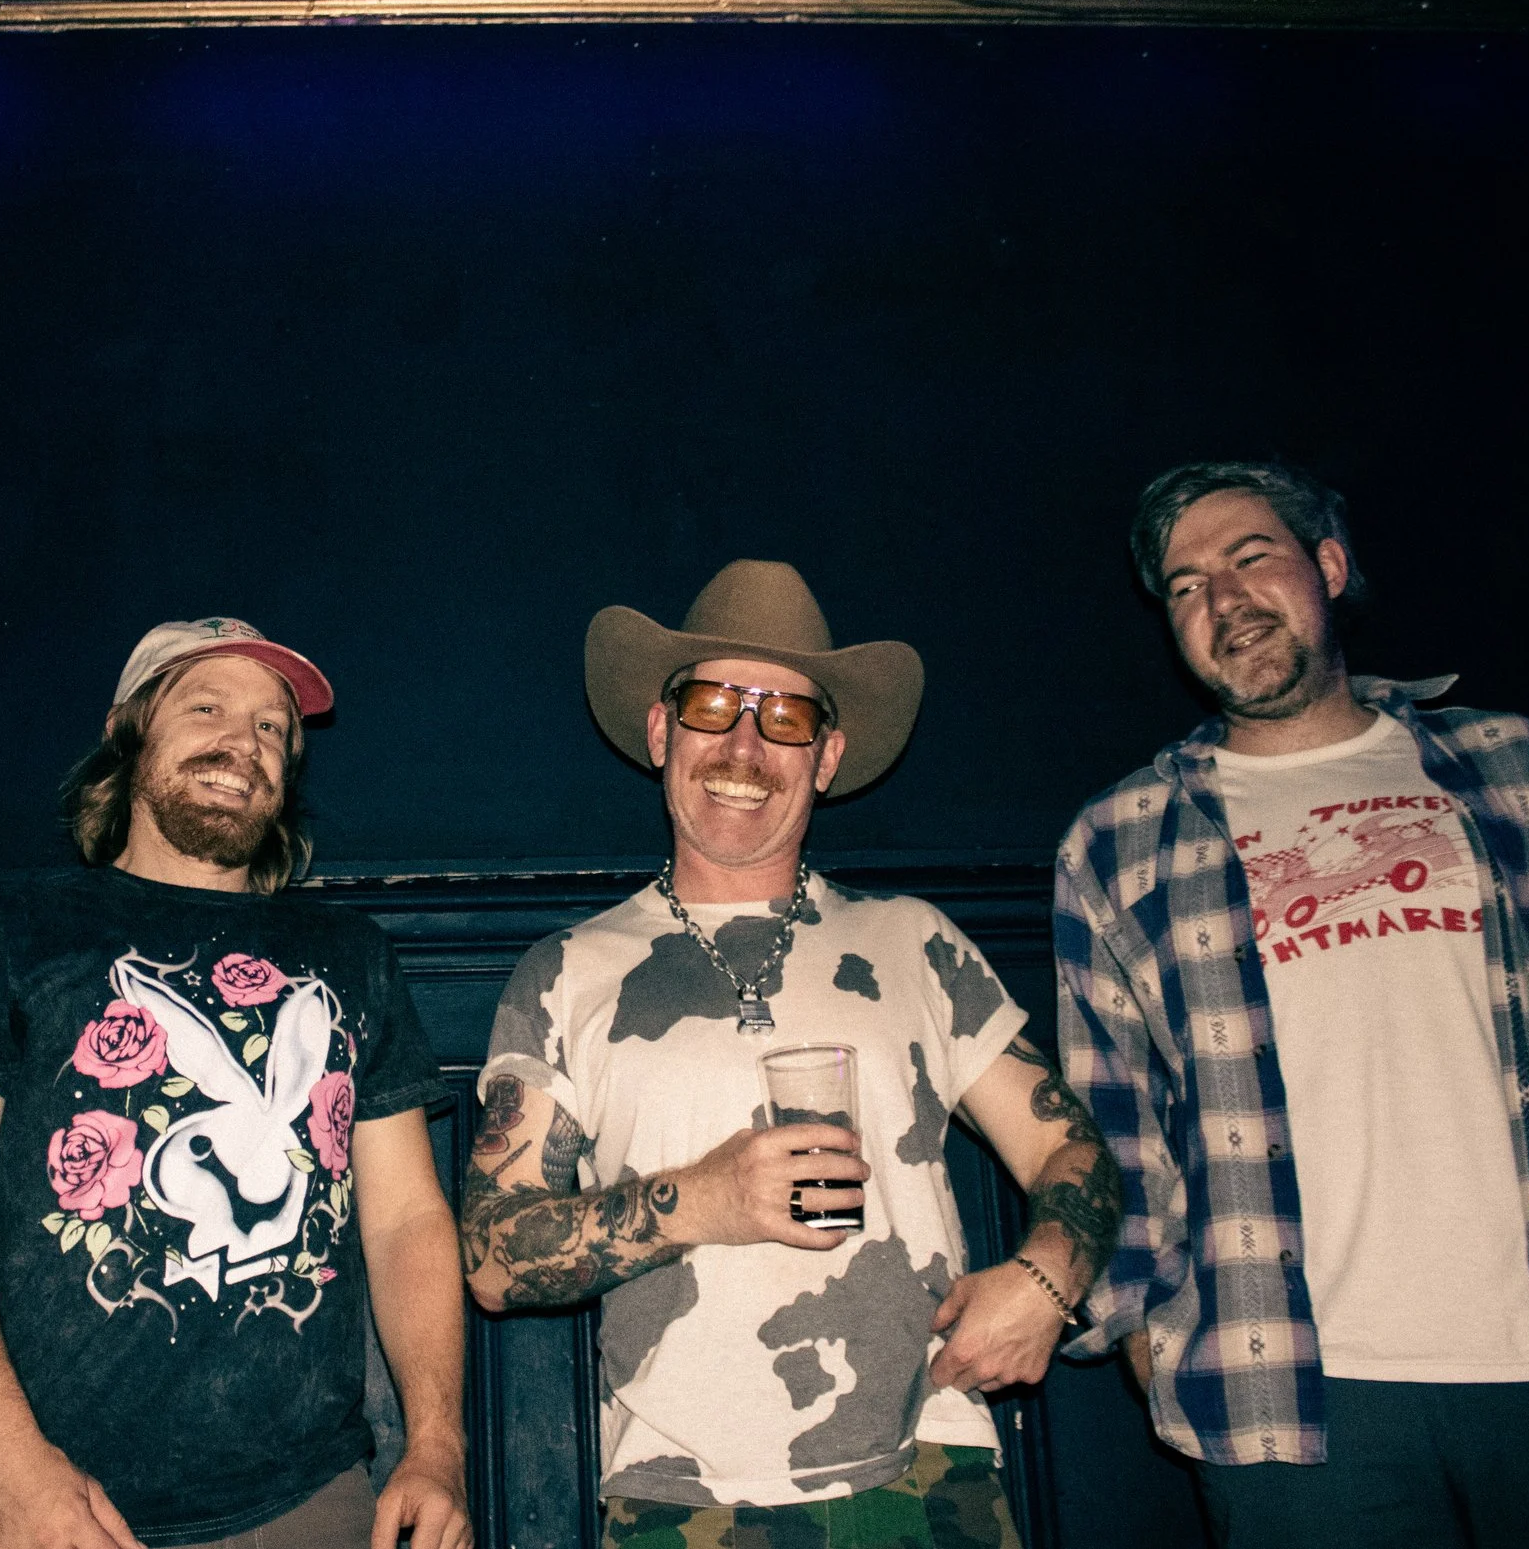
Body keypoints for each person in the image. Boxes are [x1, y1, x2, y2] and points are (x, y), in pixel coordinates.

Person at [1056, 461, 1529, 1547]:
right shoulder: (1120, 838)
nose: (1222, 600)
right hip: (1290, 1399)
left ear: (1327, 567)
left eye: (1250, 559)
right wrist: (1142, 1329)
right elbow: (1114, 1123)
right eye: (1184, 586)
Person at [461, 559, 1118, 1549]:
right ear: (659, 730)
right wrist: (708, 1199)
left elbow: (1071, 1153)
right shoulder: (567, 973)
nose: (742, 743)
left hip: (931, 1471)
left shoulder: (914, 942)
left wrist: (1048, 1276)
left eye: (784, 717)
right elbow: (490, 1258)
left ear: (826, 755)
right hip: (683, 1504)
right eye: (714, 703)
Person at [0, 618, 469, 1549]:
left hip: (306, 1499)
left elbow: (407, 1220)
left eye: (273, 729)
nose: (244, 742)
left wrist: (437, 1448)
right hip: (57, 1503)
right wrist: (6, 1462)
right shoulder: (6, 929)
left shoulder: (348, 956)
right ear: (128, 728)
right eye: (207, 707)